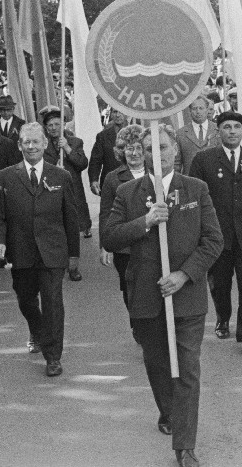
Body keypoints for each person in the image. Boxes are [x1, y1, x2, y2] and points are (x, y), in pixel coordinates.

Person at [102, 124, 223, 467]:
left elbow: (214, 241)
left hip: (187, 297)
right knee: (157, 365)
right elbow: (109, 238)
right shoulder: (127, 192)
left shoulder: (196, 190)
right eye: (152, 148)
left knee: (187, 369)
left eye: (165, 147)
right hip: (145, 295)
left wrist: (184, 275)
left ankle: (184, 447)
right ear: (144, 153)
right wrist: (144, 221)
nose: (160, 154)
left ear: (175, 151)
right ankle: (169, 411)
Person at [0, 122, 81, 377]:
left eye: (35, 142)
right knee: (25, 298)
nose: (31, 146)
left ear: (44, 145)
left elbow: (70, 217)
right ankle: (36, 329)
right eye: (26, 142)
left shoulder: (61, 176)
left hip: (52, 252)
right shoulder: (5, 177)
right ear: (19, 146)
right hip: (20, 252)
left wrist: (74, 254)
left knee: (53, 303)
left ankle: (53, 356)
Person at [189, 111, 242, 359]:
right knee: (219, 285)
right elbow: (195, 201)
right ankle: (223, 317)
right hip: (216, 237)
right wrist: (197, 236)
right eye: (227, 127)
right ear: (219, 131)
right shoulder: (203, 160)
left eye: (237, 127)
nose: (232, 131)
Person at [98, 124, 145, 338]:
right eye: (128, 149)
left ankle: (151, 325)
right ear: (121, 151)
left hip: (154, 241)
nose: (134, 153)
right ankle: (137, 322)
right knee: (130, 289)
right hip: (124, 246)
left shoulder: (158, 172)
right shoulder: (112, 178)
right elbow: (105, 213)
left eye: (138, 148)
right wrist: (105, 245)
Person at [41, 106, 91, 280]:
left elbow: (82, 163)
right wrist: (55, 169)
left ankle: (73, 267)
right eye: (50, 125)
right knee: (54, 232)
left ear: (62, 124)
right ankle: (55, 265)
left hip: (72, 193)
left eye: (56, 124)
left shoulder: (75, 141)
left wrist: (68, 149)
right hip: (50, 194)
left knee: (72, 230)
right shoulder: (41, 144)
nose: (53, 128)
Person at [175, 96, 220, 174]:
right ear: (190, 111)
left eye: (201, 108)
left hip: (215, 181)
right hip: (190, 182)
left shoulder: (218, 130)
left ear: (207, 109)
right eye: (194, 108)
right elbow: (176, 164)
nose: (198, 111)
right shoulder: (181, 134)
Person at [89, 108, 128, 195]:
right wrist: (94, 180)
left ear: (127, 114)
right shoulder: (102, 136)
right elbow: (95, 160)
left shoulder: (135, 134)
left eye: (121, 111)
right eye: (115, 112)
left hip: (131, 182)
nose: (117, 115)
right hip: (109, 184)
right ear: (111, 114)